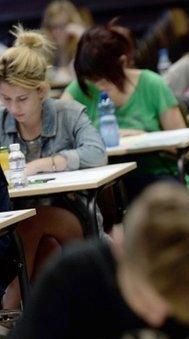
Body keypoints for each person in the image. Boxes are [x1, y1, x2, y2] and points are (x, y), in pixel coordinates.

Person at [9, 182, 189, 339]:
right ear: (119, 246)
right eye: (145, 296)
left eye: (173, 299)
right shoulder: (74, 276)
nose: (158, 317)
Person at [0, 27, 107, 309]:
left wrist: (42, 165)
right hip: (22, 224)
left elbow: (96, 153)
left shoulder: (68, 113)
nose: (13, 108)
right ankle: (36, 319)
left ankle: (9, 309)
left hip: (74, 213)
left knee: (30, 224)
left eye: (21, 99)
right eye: (5, 99)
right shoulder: (1, 121)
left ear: (42, 91)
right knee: (45, 249)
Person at [61, 22, 187, 200]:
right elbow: (58, 140)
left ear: (122, 62)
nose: (98, 86)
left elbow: (182, 146)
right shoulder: (79, 90)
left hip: (154, 172)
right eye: (92, 79)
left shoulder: (152, 84)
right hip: (101, 179)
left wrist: (141, 136)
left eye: (104, 79)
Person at [41, 0, 88, 85]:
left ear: (72, 24)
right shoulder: (45, 50)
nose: (57, 32)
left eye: (62, 26)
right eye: (53, 27)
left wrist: (82, 37)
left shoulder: (82, 48)